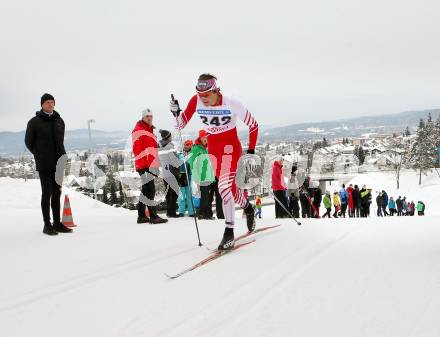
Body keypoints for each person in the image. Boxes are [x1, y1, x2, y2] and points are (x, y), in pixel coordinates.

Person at [172, 73, 259, 250]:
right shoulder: (195, 101)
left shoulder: (231, 102)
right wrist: (176, 112)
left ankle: (229, 232)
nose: (203, 99)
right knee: (231, 190)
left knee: (223, 188)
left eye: (206, 95)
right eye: (199, 94)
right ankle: (248, 208)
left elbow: (253, 125)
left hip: (230, 149)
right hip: (214, 151)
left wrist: (250, 151)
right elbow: (180, 125)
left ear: (216, 90)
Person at [25, 93, 72, 235]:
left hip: (58, 163)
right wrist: (39, 155)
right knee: (47, 193)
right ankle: (47, 225)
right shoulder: (34, 122)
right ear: (42, 105)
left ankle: (57, 223)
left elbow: (60, 141)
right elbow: (28, 142)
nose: (50, 104)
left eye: (52, 102)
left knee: (57, 193)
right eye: (47, 102)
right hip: (44, 163)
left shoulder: (59, 121)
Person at [132, 109, 168, 224]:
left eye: (151, 116)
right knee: (150, 190)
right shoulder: (138, 130)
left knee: (145, 190)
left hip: (150, 165)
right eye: (147, 116)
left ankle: (141, 216)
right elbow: (137, 150)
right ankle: (153, 216)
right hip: (144, 165)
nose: (149, 118)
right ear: (143, 117)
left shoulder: (150, 130)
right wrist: (143, 166)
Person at [188, 129, 219, 220]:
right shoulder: (196, 148)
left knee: (207, 197)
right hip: (201, 177)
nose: (205, 139)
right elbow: (192, 163)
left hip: (208, 176)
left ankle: (207, 213)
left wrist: (212, 176)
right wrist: (196, 176)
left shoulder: (206, 148)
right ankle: (202, 214)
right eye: (203, 137)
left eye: (207, 137)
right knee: (204, 195)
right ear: (200, 138)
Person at [158, 129, 182, 218]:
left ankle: (169, 211)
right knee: (174, 193)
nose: (171, 137)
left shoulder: (159, 147)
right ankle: (172, 212)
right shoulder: (170, 147)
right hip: (172, 173)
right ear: (168, 137)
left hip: (165, 173)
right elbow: (174, 161)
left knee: (168, 193)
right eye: (170, 136)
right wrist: (181, 161)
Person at [177, 140, 195, 217]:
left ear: (191, 145)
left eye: (187, 145)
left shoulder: (193, 154)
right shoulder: (180, 154)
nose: (185, 146)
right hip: (181, 175)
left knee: (189, 194)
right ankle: (181, 211)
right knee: (181, 194)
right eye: (185, 145)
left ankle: (191, 212)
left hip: (190, 176)